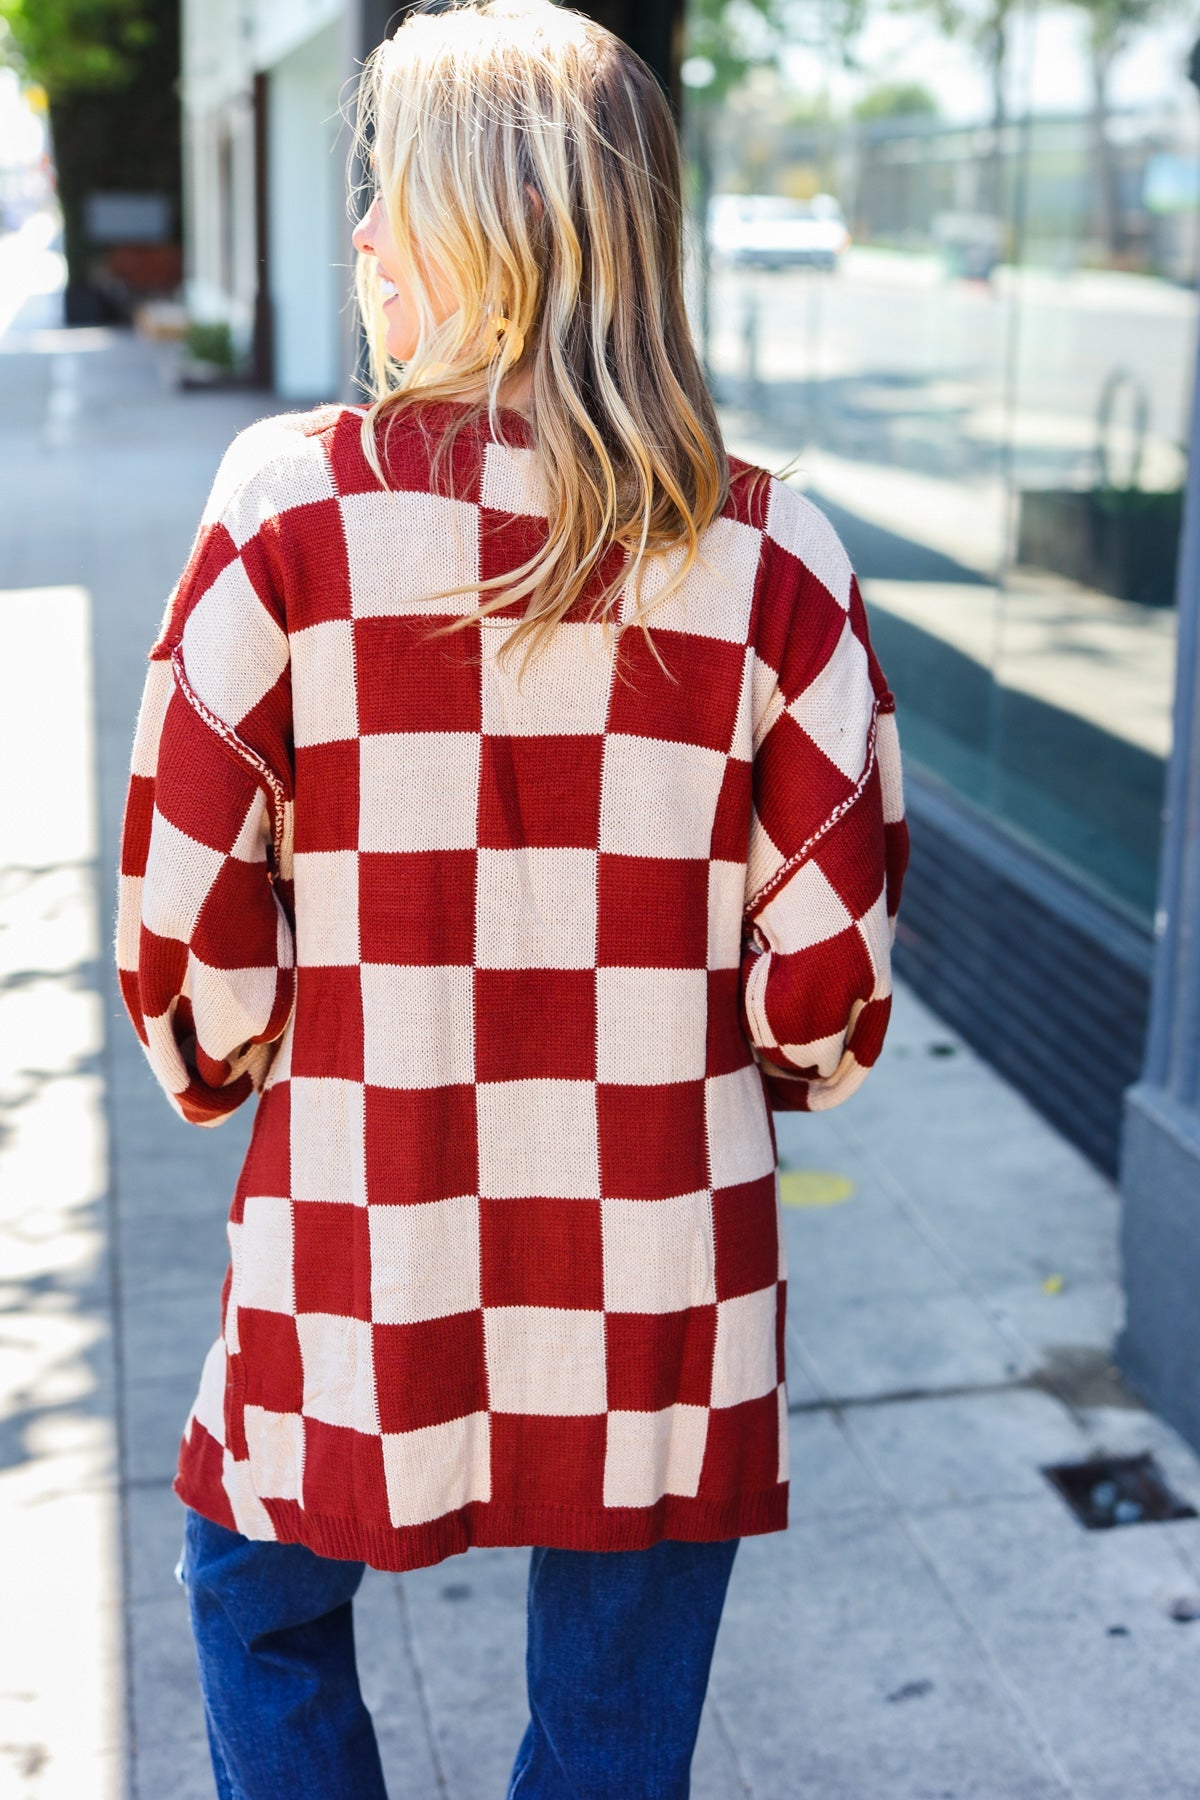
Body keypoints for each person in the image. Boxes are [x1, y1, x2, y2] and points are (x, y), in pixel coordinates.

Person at [114, 1, 909, 1793]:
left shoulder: (286, 512)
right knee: (617, 1728)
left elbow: (187, 942)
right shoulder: (777, 553)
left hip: (361, 1234)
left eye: (390, 187)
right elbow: (826, 991)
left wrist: (235, 1059)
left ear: (480, 234)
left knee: (254, 1600)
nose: (367, 234)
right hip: (658, 1257)